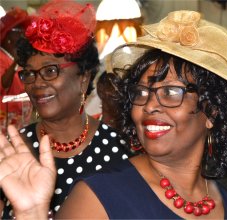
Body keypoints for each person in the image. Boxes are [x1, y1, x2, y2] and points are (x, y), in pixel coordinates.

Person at [0, 10, 227, 219]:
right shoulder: (99, 197)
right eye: (141, 92)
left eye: (170, 92)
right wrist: (31, 213)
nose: (150, 105)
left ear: (212, 110)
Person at [0, 0, 132, 219]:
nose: (37, 83)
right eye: (29, 74)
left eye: (50, 70)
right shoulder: (14, 153)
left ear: (83, 78)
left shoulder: (121, 150)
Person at [0, 7, 32, 135]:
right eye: (18, 30)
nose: (22, 34)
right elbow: (3, 84)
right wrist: (15, 63)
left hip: (20, 120)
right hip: (4, 121)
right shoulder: (2, 57)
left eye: (23, 31)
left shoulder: (15, 57)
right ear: (7, 35)